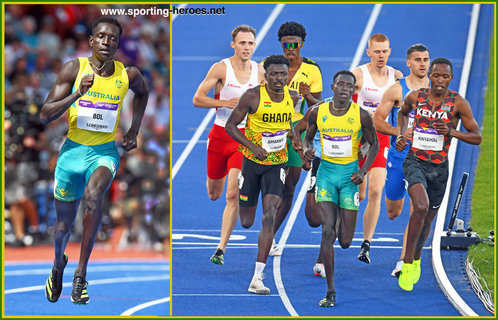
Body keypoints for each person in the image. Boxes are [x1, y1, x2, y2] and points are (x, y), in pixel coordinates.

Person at [41, 17, 149, 304]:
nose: (106, 41)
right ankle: (58, 263)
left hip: (104, 152)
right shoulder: (74, 69)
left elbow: (143, 93)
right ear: (91, 41)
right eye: (100, 36)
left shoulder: (129, 75)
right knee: (62, 226)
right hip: (72, 154)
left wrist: (134, 130)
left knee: (93, 196)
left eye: (112, 38)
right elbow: (44, 115)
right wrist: (78, 93)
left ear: (117, 44)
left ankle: (81, 274)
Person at [395, 58, 482, 291]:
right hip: (415, 161)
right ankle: (407, 262)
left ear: (450, 78)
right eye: (436, 75)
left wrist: (452, 131)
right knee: (420, 207)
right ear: (430, 76)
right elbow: (403, 114)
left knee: (428, 221)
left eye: (445, 76)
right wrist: (402, 135)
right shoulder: (415, 97)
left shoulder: (458, 104)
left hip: (440, 168)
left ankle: (416, 259)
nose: (440, 80)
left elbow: (477, 136)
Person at [302, 70, 378, 306]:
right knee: (326, 230)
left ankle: (336, 224)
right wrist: (306, 149)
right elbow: (307, 135)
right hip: (325, 175)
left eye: (349, 86)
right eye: (340, 84)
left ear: (353, 91)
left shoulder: (362, 115)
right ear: (333, 87)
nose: (345, 89)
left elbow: (373, 144)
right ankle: (330, 291)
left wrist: (363, 171)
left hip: (349, 179)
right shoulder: (318, 111)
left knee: (345, 241)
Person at [225, 55, 300, 294]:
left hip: (277, 164)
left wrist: (294, 139)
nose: (279, 79)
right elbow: (230, 126)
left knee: (269, 216)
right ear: (265, 76)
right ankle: (244, 192)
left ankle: (257, 277)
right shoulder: (252, 96)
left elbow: (289, 124)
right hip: (251, 163)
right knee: (247, 222)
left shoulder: (293, 97)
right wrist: (252, 146)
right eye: (274, 74)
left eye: (283, 74)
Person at [192, 25, 265, 266]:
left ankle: (221, 248)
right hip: (220, 135)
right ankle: (215, 182)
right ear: (233, 44)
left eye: (250, 43)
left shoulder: (261, 72)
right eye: (242, 43)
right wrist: (224, 101)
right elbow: (197, 98)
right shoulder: (221, 68)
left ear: (255, 45)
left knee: (233, 194)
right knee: (214, 193)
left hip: (243, 139)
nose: (246, 47)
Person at [373, 43, 430, 277]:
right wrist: (399, 133)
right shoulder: (397, 90)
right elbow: (377, 120)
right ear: (408, 63)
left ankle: (404, 260)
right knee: (393, 211)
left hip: (424, 158)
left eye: (426, 59)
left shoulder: (437, 90)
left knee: (418, 208)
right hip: (399, 156)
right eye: (418, 60)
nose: (423, 64)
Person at [268, 21, 322, 256]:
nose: (290, 48)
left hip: (296, 131)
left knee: (289, 187)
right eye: (286, 44)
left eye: (295, 44)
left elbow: (319, 107)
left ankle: (269, 237)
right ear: (280, 44)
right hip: (270, 128)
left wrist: (307, 95)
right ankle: (265, 232)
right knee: (269, 184)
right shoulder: (267, 66)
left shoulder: (312, 70)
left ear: (302, 44)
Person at [351, 33, 403, 263]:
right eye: (377, 51)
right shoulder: (358, 76)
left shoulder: (397, 77)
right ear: (368, 52)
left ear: (389, 52)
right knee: (359, 194)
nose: (381, 55)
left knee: (375, 191)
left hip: (381, 139)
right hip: (356, 139)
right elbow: (341, 100)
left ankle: (366, 244)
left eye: (385, 51)